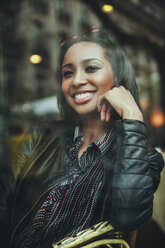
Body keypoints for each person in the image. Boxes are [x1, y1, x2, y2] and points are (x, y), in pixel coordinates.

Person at [1, 28, 164, 248]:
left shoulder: (142, 155)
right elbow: (7, 203)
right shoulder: (44, 135)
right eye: (68, 72)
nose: (77, 80)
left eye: (91, 68)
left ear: (117, 78)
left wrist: (133, 117)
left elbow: (129, 217)